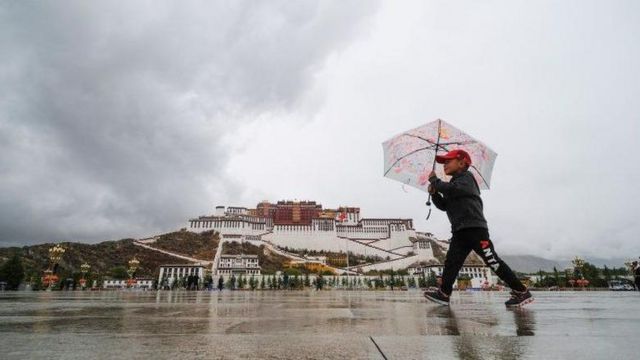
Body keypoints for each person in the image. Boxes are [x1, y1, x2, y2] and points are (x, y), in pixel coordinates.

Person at [422, 149, 533, 308]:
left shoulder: (466, 178)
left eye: (448, 161)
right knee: (451, 263)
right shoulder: (453, 183)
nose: (444, 164)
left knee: (492, 261)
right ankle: (444, 294)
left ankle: (521, 291)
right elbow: (444, 206)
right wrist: (434, 195)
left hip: (475, 229)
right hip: (460, 231)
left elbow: (452, 190)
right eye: (443, 162)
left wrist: (435, 181)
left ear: (462, 163)